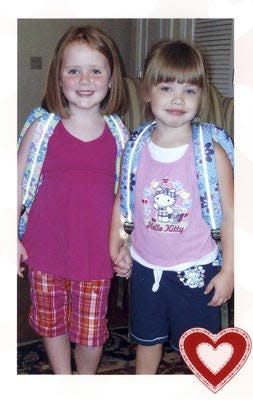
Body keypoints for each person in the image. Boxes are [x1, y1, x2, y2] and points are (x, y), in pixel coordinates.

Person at [110, 40, 234, 374]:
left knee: (201, 349)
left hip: (198, 271)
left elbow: (233, 215)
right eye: (166, 87)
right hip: (146, 268)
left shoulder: (212, 153)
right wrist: (119, 243)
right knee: (146, 341)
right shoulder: (135, 149)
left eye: (190, 90)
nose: (178, 99)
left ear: (201, 97)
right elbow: (124, 201)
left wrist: (230, 269)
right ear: (147, 92)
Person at [17, 25, 130, 374]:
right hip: (45, 251)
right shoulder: (42, 128)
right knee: (52, 326)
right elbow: (16, 185)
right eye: (73, 70)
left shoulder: (120, 134)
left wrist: (126, 244)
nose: (85, 79)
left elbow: (125, 199)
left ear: (111, 80)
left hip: (96, 256)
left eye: (96, 70)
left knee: (91, 335)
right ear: (58, 77)